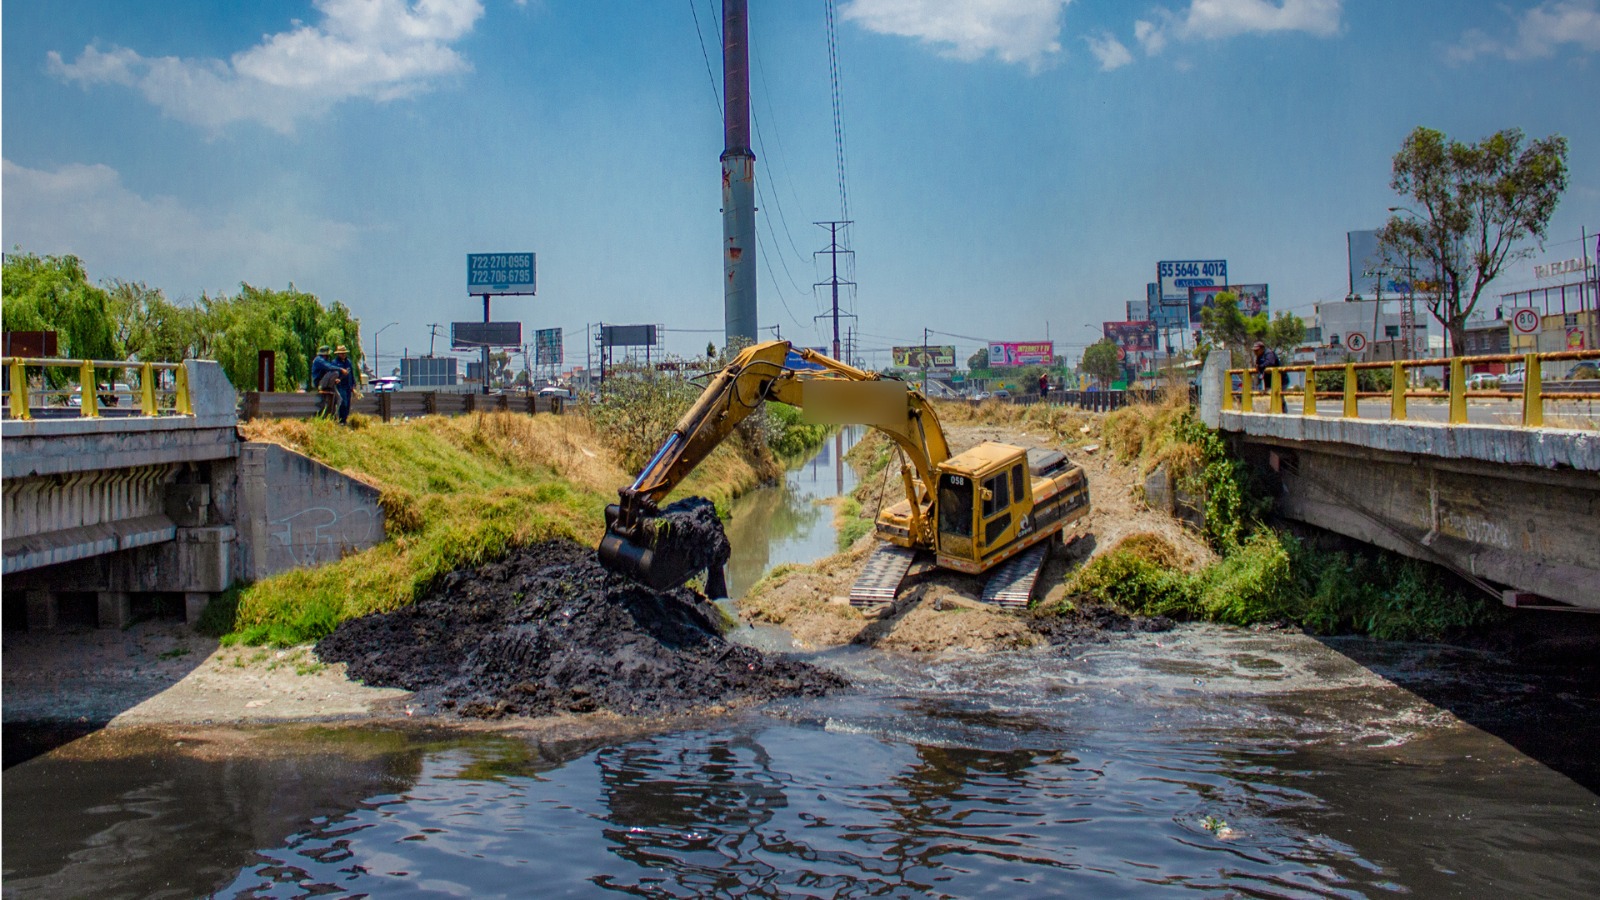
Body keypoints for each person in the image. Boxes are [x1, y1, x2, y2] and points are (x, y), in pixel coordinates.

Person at [311, 345, 341, 419]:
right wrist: (341, 369)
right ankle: (325, 387)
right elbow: (329, 367)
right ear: (324, 354)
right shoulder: (319, 360)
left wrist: (335, 380)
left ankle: (334, 416)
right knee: (335, 372)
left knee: (339, 398)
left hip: (326, 382)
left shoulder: (324, 360)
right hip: (320, 382)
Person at [334, 345, 356, 424]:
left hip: (348, 386)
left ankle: (345, 420)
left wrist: (353, 385)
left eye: (344, 353)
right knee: (343, 403)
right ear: (338, 354)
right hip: (340, 386)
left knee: (348, 405)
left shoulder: (348, 362)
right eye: (341, 353)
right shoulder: (335, 363)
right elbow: (333, 373)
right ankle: (341, 420)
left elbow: (352, 374)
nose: (343, 355)